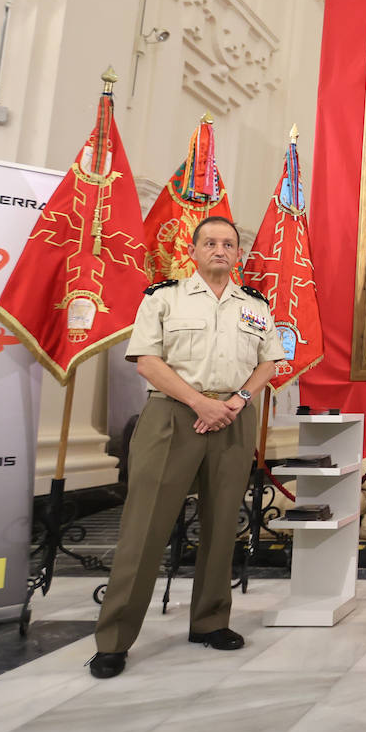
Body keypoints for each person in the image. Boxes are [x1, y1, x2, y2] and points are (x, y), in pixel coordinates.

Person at [88, 216, 284, 679]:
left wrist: (236, 400)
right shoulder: (164, 298)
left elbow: (270, 361)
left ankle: (211, 622)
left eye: (229, 244)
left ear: (238, 254)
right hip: (173, 416)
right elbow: (147, 362)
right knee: (145, 528)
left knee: (222, 525)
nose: (220, 250)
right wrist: (199, 402)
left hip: (233, 418)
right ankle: (113, 640)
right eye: (211, 243)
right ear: (193, 251)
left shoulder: (254, 306)